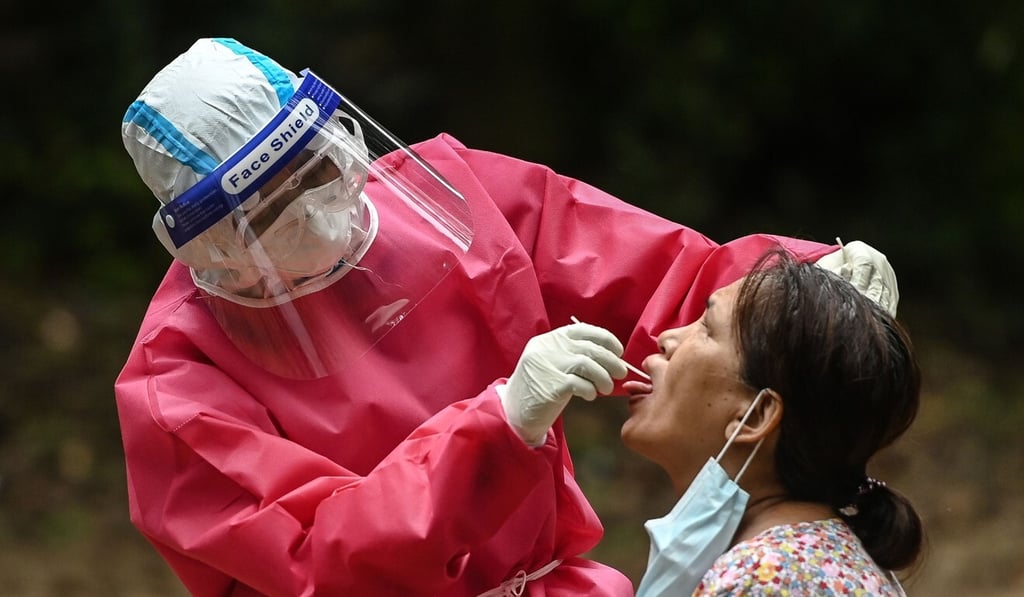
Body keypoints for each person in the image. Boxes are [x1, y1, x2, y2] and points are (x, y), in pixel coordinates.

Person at [115, 37, 898, 596]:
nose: (319, 211)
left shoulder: (447, 195)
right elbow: (317, 561)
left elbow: (662, 281)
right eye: (274, 211)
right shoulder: (178, 383)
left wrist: (803, 278)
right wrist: (494, 427)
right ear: (208, 242)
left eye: (320, 167)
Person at [613, 248, 921, 595]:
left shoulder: (761, 577)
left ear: (754, 416)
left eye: (705, 327)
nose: (666, 338)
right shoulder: (814, 558)